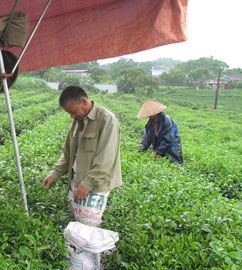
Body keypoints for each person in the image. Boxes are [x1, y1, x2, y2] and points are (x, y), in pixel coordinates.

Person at [42, 86, 122, 227]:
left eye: (72, 112)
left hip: (95, 186)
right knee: (77, 226)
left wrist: (87, 184)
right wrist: (54, 174)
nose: (71, 116)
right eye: (69, 113)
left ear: (84, 101)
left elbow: (106, 160)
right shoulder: (78, 120)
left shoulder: (106, 119)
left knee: (88, 228)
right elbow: (68, 153)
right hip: (76, 182)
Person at [137, 100, 184, 165]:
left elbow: (168, 140)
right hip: (160, 148)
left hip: (171, 149)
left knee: (174, 166)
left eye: (151, 113)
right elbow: (145, 141)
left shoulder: (166, 120)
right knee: (159, 164)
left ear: (156, 112)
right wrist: (139, 151)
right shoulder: (149, 124)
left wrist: (157, 152)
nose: (149, 115)